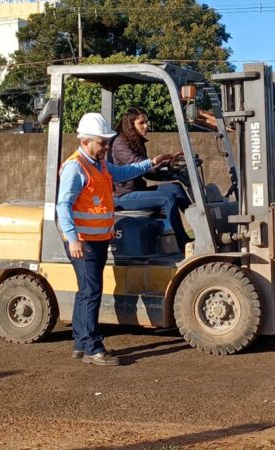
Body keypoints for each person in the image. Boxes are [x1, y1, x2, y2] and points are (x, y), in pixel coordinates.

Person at [57, 112, 174, 367]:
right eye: (102, 142)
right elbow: (63, 204)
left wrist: (151, 162)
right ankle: (92, 348)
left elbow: (122, 173)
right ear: (86, 141)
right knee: (91, 292)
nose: (106, 147)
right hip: (83, 241)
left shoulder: (98, 163)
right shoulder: (76, 167)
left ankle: (80, 343)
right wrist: (72, 238)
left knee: (86, 291)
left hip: (96, 239)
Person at [109, 107, 192, 251]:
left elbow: (147, 172)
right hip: (122, 196)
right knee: (166, 198)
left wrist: (169, 168)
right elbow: (140, 165)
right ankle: (183, 242)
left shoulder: (136, 142)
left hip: (135, 190)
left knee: (175, 188)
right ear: (130, 125)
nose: (146, 126)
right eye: (141, 123)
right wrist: (160, 163)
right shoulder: (120, 144)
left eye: (146, 122)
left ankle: (200, 228)